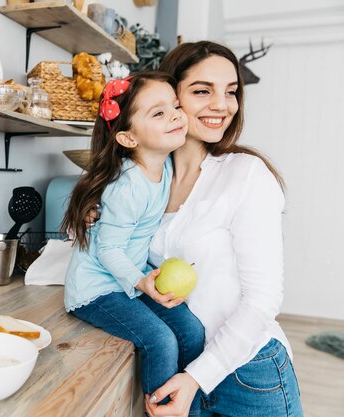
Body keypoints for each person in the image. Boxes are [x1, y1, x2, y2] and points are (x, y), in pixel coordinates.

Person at [88, 41, 302, 417]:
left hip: (248, 375)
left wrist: (197, 377)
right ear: (172, 96)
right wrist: (96, 215)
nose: (222, 104)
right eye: (203, 91)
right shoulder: (146, 182)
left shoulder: (245, 175)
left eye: (231, 91)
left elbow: (263, 300)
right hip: (183, 366)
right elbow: (116, 248)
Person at [62, 71, 206, 414]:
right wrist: (142, 280)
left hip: (130, 278)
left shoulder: (166, 164)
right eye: (158, 113)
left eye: (174, 106)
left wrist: (142, 278)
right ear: (128, 138)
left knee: (192, 330)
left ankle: (190, 409)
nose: (175, 115)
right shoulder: (128, 186)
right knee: (160, 340)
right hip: (95, 289)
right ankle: (158, 411)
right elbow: (107, 249)